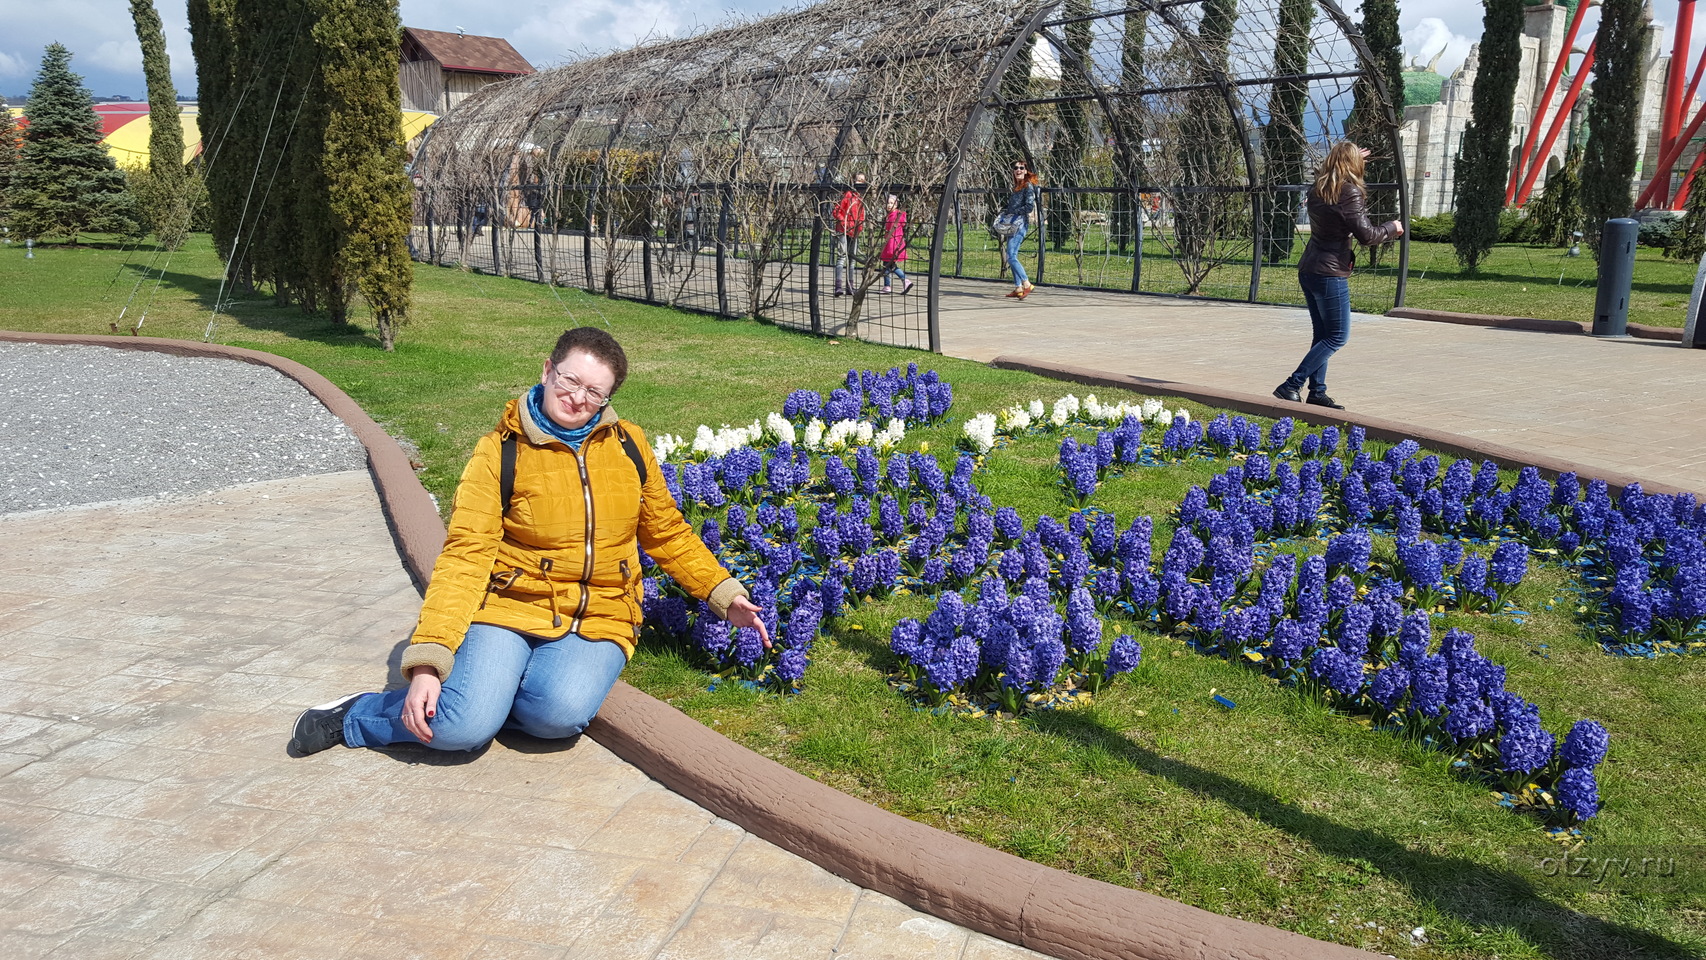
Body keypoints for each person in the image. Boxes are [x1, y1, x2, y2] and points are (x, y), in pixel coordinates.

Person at [290, 328, 770, 757]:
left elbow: (667, 531)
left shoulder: (629, 446)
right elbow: (464, 558)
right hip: (510, 606)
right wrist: (429, 661)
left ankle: (490, 698)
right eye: (570, 380)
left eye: (595, 392)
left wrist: (722, 593)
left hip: (602, 612)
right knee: (461, 727)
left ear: (608, 399)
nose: (578, 398)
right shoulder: (500, 452)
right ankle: (356, 715)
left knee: (556, 718)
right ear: (547, 369)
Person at [1273, 142, 1403, 410]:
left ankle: (1317, 392)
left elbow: (1331, 170)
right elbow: (1367, 236)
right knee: (1337, 336)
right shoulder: (1349, 192)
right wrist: (1392, 227)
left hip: (1311, 268)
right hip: (1329, 273)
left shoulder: (1319, 188)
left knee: (1323, 334)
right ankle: (1292, 385)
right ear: (1352, 164)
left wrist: (1348, 157)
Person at [995, 160, 1040, 300]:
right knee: (1011, 254)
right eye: (1016, 168)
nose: (1018, 170)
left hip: (1019, 224)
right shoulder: (1017, 187)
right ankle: (1018, 288)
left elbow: (1029, 207)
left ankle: (1026, 284)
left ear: (1026, 171)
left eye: (1022, 168)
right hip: (1012, 224)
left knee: (1011, 256)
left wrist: (1014, 212)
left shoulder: (1028, 187)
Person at [831, 173, 868, 296]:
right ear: (854, 181)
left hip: (855, 231)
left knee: (852, 259)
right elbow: (837, 211)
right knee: (841, 257)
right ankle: (838, 286)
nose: (860, 183)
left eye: (862, 181)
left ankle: (850, 286)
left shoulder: (861, 198)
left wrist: (859, 227)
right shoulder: (848, 195)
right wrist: (844, 223)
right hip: (843, 229)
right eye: (858, 180)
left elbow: (861, 216)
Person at [878, 193, 913, 294]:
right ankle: (888, 285)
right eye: (888, 203)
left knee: (888, 265)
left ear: (896, 205)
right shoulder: (893, 215)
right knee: (888, 265)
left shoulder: (894, 216)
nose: (889, 205)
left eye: (891, 203)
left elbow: (891, 231)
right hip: (894, 243)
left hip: (892, 244)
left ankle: (903, 280)